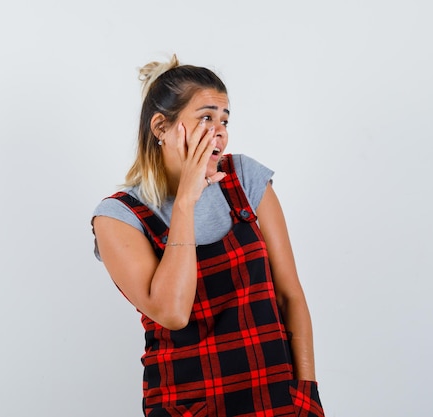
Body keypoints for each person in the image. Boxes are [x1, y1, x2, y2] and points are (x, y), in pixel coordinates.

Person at [91, 54, 325, 417]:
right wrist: (185, 201)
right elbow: (172, 312)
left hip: (277, 399)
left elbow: (289, 294)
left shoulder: (245, 179)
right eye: (205, 118)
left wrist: (307, 393)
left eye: (224, 120)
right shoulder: (119, 217)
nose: (220, 132)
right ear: (160, 127)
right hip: (187, 405)